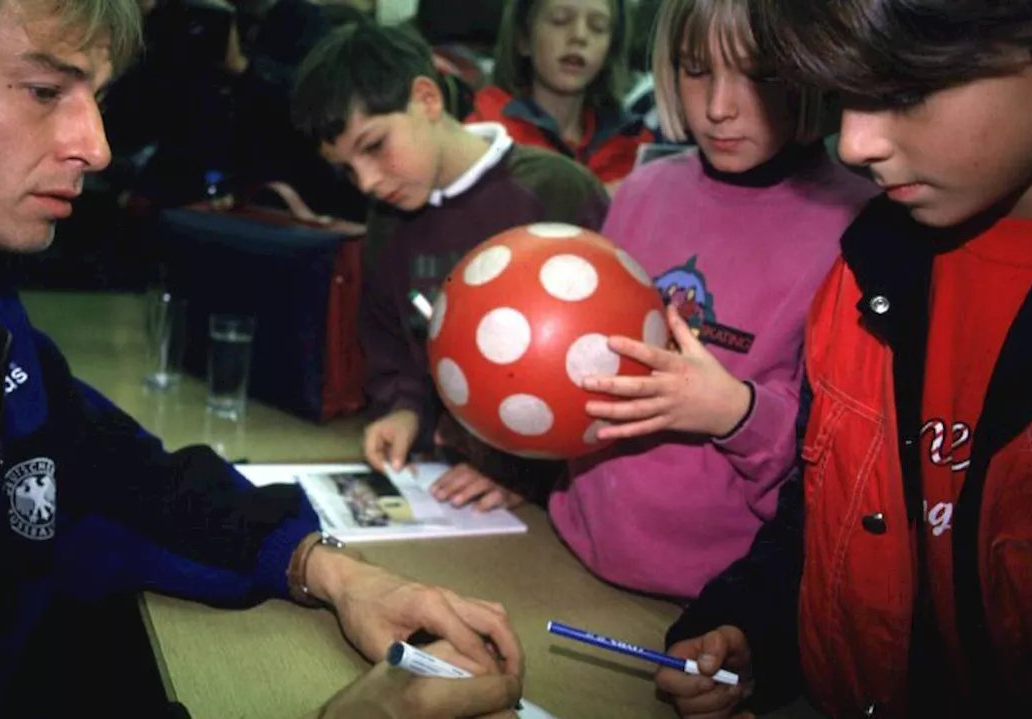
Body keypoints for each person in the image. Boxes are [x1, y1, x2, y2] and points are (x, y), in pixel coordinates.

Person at [0, 1, 525, 716]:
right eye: (45, 91)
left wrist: (331, 571)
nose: (97, 146)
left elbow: (112, 473)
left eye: (96, 97)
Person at [655, 1, 1032, 717]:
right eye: (847, 92)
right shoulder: (865, 269)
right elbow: (818, 518)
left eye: (906, 91)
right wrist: (753, 631)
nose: (853, 142)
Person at [440, 0, 877, 602]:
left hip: (722, 599)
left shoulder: (856, 225)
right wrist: (528, 470)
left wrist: (735, 412)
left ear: (813, 69)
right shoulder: (642, 190)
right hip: (574, 544)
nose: (719, 108)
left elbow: (847, 459)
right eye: (696, 70)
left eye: (760, 74)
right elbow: (581, 371)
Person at [290, 21, 609, 513]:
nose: (368, 182)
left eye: (374, 146)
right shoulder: (388, 222)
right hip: (445, 482)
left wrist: (528, 475)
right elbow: (390, 339)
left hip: (553, 499)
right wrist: (404, 411)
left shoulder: (557, 192)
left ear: (427, 99)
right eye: (348, 169)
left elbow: (608, 363)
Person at [468, 0, 652, 190]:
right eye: (560, 21)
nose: (579, 36)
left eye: (598, 27)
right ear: (523, 39)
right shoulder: (483, 139)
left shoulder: (634, 144)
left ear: (610, 51)